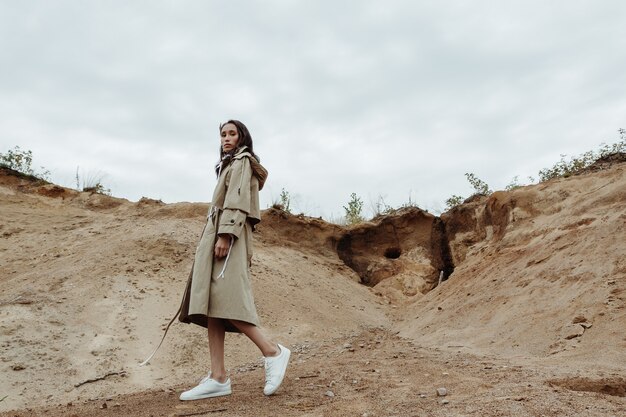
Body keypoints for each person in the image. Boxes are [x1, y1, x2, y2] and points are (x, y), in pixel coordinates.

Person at [177, 120, 290, 400]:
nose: (226, 138)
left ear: (242, 138)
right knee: (212, 302)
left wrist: (226, 234)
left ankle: (273, 351)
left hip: (230, 235)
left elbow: (238, 200)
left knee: (227, 299)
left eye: (231, 134)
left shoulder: (242, 161)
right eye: (222, 134)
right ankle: (218, 377)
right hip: (216, 233)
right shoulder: (227, 164)